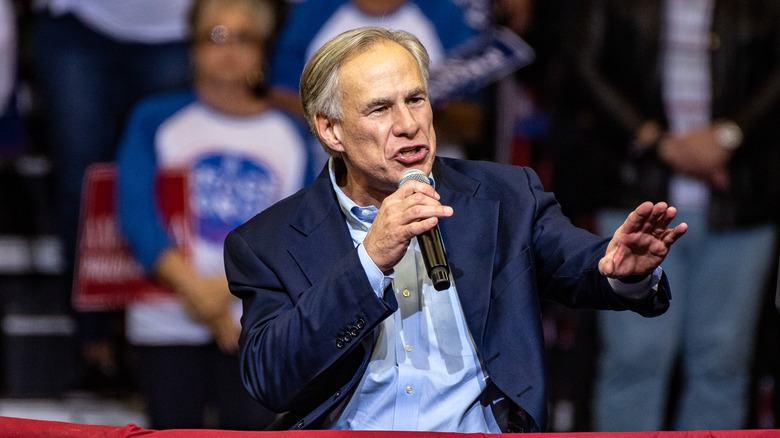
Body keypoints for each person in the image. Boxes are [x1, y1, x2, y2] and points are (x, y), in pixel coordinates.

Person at [223, 26, 687, 432]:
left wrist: (626, 271)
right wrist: (369, 263)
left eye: (416, 99)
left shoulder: (505, 194)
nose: (409, 125)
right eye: (380, 109)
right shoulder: (268, 242)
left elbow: (580, 262)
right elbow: (270, 379)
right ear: (331, 131)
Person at [569, 0, 780, 431]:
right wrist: (658, 141)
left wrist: (727, 136)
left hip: (741, 200)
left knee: (722, 364)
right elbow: (583, 65)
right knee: (634, 358)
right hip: (636, 195)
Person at [115, 0, 314, 429]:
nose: (229, 49)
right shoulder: (153, 119)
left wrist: (224, 290)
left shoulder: (292, 133)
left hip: (256, 330)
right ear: (193, 46)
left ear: (264, 50)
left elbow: (301, 232)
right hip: (165, 318)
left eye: (245, 38)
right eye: (216, 35)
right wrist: (198, 293)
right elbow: (135, 213)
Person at [30, 0, 194, 387]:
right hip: (78, 20)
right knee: (84, 188)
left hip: (175, 26)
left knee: (169, 184)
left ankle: (161, 342)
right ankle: (93, 338)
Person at [267, 0, 485, 159]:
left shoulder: (444, 14)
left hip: (432, 177)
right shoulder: (314, 10)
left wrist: (413, 119)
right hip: (333, 179)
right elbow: (279, 96)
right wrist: (357, 126)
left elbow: (472, 120)